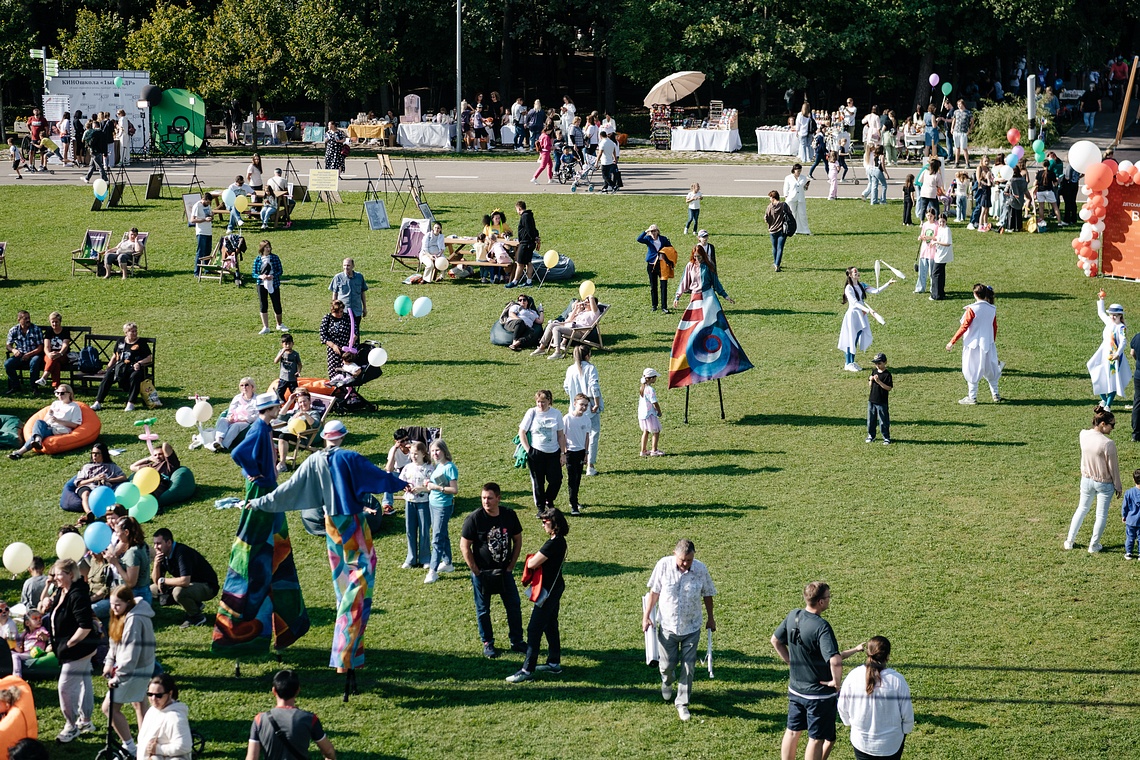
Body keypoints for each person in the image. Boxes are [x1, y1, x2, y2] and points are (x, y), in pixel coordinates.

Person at [244, 420, 408, 674]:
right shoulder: (350, 458)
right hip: (352, 524)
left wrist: (259, 502)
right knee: (358, 586)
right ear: (342, 437)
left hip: (330, 524)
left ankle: (347, 652)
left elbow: (288, 489)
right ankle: (345, 654)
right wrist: (399, 483)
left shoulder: (314, 460)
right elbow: (376, 478)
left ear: (324, 437)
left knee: (344, 586)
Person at [772, 581, 865, 760]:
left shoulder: (793, 615)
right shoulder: (822, 627)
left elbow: (775, 640)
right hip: (818, 695)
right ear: (821, 602)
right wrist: (836, 683)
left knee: (792, 731)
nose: (830, 600)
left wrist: (791, 662)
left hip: (796, 689)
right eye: (828, 597)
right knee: (815, 739)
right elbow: (835, 660)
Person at [642, 539, 716, 722]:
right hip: (667, 627)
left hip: (692, 627)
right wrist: (646, 616)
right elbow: (654, 592)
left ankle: (682, 703)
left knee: (688, 667)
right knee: (666, 666)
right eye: (682, 560)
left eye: (689, 560)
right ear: (675, 554)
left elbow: (707, 593)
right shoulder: (663, 565)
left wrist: (711, 618)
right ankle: (667, 681)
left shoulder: (700, 569)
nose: (685, 564)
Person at [460, 483, 525, 659]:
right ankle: (487, 642)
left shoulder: (509, 515)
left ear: (498, 498)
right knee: (483, 610)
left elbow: (517, 540)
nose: (486, 501)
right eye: (483, 498)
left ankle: (517, 641)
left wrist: (511, 565)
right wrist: (476, 571)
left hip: (504, 572)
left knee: (513, 606)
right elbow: (464, 546)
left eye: (489, 498)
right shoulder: (474, 518)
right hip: (483, 573)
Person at [506, 506, 569, 683]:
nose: (543, 525)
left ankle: (527, 669)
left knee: (534, 629)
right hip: (555, 588)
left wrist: (530, 559)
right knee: (550, 625)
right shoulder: (560, 541)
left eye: (545, 522)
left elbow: (533, 563)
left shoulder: (553, 543)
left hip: (548, 592)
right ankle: (554, 662)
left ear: (554, 523)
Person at [838, 636, 914, 760]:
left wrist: (849, 723)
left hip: (861, 742)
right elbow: (907, 715)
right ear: (888, 656)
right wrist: (905, 731)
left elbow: (842, 707)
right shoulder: (897, 681)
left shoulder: (853, 676)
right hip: (891, 744)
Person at [47, 559, 98, 743]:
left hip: (78, 649)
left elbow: (84, 627)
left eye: (58, 574)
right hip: (76, 648)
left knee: (65, 688)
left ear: (70, 574)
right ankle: (85, 721)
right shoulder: (63, 590)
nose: (55, 577)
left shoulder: (77, 595)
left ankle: (71, 726)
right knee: (84, 680)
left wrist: (68, 644)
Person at [102, 586, 156, 758]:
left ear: (128, 602)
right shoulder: (120, 615)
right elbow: (114, 642)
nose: (114, 608)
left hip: (136, 669)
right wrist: (109, 662)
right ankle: (146, 746)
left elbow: (130, 654)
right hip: (137, 667)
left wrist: (119, 676)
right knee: (139, 703)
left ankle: (130, 747)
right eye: (111, 604)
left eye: (117, 604)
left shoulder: (134, 619)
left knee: (109, 708)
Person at [1066, 405, 1122, 554]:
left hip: (1086, 479)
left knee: (1081, 509)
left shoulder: (1083, 434)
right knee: (1101, 515)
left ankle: (1069, 540)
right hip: (1104, 483)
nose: (1113, 428)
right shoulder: (1108, 444)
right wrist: (1118, 486)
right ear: (1103, 424)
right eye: (1112, 425)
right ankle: (1094, 544)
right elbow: (1113, 468)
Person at [245, 670, 335, 760]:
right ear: (298, 691)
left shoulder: (260, 720)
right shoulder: (309, 719)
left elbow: (252, 758)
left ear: (274, 691)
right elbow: (328, 751)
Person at [150, 527, 220, 628]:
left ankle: (196, 617)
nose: (156, 547)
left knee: (178, 592)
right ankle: (195, 605)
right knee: (152, 590)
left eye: (159, 543)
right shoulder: (162, 555)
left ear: (169, 542)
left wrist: (163, 580)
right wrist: (156, 564)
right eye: (155, 543)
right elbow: (156, 581)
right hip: (191, 586)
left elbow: (185, 581)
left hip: (207, 587)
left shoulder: (181, 552)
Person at [946, 283, 1002, 405]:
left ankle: (972, 397)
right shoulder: (992, 308)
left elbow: (964, 327)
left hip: (973, 345)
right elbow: (994, 327)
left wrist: (952, 342)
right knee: (991, 369)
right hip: (988, 344)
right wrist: (992, 341)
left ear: (975, 294)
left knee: (971, 369)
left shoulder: (972, 309)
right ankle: (995, 394)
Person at [519, 389, 567, 514]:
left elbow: (561, 435)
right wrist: (528, 450)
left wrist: (563, 453)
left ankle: (549, 500)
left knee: (556, 479)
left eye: (543, 402)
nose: (541, 405)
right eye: (538, 402)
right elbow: (522, 432)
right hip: (536, 452)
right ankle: (540, 508)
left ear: (549, 401)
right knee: (538, 482)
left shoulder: (556, 414)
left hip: (553, 452)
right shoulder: (532, 412)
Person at [839, 268, 893, 372]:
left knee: (855, 339)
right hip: (853, 316)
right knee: (850, 339)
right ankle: (848, 363)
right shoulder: (848, 288)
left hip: (861, 315)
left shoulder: (861, 285)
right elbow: (855, 303)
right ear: (850, 275)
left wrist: (887, 284)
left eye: (857, 272)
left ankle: (852, 362)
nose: (857, 273)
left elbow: (875, 291)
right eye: (855, 272)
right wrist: (868, 310)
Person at [7, 384, 81, 460]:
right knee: (39, 422)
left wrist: (58, 420)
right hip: (49, 425)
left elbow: (75, 425)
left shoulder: (74, 407)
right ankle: (36, 441)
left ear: (69, 393)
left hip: (59, 429)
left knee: (36, 435)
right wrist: (49, 416)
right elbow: (45, 419)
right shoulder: (56, 403)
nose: (59, 395)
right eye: (57, 393)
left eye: (62, 393)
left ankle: (20, 452)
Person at [563, 345, 603, 477]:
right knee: (592, 435)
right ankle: (590, 465)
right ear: (587, 355)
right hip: (589, 407)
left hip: (574, 407)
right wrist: (596, 403)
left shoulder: (570, 369)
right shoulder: (590, 368)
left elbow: (566, 387)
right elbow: (594, 387)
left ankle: (574, 462)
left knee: (574, 436)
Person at [423, 438, 458, 584]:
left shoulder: (450, 467)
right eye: (432, 451)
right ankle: (448, 563)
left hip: (443, 506)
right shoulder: (437, 466)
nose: (435, 454)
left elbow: (454, 490)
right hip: (433, 504)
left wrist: (436, 487)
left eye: (437, 450)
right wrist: (428, 484)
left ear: (444, 451)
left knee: (437, 538)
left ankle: (433, 570)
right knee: (442, 534)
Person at [1087, 295, 1130, 410]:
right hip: (1103, 352)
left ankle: (1108, 405)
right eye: (1111, 314)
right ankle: (1104, 400)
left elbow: (1123, 341)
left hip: (1113, 356)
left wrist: (1118, 353)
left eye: (1115, 315)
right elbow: (1101, 313)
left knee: (1113, 380)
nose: (1112, 316)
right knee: (1096, 373)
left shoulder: (1121, 327)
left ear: (1120, 316)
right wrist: (1102, 299)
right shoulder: (1109, 322)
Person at [136, 674, 192, 760]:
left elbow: (184, 746)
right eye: (150, 694)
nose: (153, 698)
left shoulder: (175, 718)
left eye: (158, 695)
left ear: (170, 693)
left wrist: (158, 749)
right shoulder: (152, 710)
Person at [398, 441, 432, 570]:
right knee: (410, 530)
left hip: (424, 503)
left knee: (424, 530)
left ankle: (425, 558)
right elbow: (401, 482)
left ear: (423, 454)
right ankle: (411, 558)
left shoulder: (429, 468)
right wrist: (405, 488)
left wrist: (422, 489)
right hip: (410, 502)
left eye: (416, 454)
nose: (414, 456)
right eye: (412, 454)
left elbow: (432, 487)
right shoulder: (408, 467)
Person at [206, 378, 258, 452]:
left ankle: (224, 445)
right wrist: (230, 417)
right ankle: (218, 441)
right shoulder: (237, 398)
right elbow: (230, 410)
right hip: (234, 418)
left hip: (246, 421)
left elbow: (257, 415)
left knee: (235, 426)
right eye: (242, 385)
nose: (244, 387)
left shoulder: (257, 399)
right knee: (222, 420)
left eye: (246, 385)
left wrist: (244, 419)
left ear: (252, 387)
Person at [252, 240, 288, 336]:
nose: (268, 249)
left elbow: (280, 270)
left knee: (276, 303)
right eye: (266, 247)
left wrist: (273, 276)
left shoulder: (275, 258)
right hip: (261, 284)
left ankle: (279, 324)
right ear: (262, 248)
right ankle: (266, 327)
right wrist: (260, 276)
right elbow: (254, 273)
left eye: (269, 247)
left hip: (274, 283)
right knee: (263, 304)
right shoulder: (258, 259)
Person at [4, 311, 44, 395]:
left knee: (34, 362)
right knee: (8, 364)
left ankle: (34, 387)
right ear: (19, 319)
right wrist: (14, 350)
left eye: (29, 318)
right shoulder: (14, 330)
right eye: (25, 318)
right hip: (20, 354)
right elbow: (8, 345)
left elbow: (40, 347)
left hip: (34, 354)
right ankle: (15, 386)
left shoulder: (36, 329)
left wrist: (29, 354)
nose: (28, 320)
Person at [637, 224, 673, 313]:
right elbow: (639, 239)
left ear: (658, 231)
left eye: (654, 231)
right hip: (651, 265)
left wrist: (664, 255)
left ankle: (664, 306)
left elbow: (670, 248)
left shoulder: (663, 239)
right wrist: (646, 231)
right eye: (651, 231)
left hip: (662, 265)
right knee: (653, 286)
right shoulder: (648, 239)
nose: (653, 233)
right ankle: (654, 305)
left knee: (663, 286)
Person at [505, 200, 540, 288]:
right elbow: (533, 228)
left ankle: (515, 281)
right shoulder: (529, 215)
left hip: (526, 243)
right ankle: (529, 281)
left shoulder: (525, 216)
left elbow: (529, 229)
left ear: (519, 208)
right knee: (528, 262)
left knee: (520, 263)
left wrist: (532, 238)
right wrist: (536, 237)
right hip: (529, 243)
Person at [319, 300, 355, 378]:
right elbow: (323, 335)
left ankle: (347, 389)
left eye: (341, 312)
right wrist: (333, 346)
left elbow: (355, 331)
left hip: (347, 350)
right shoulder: (327, 318)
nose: (339, 314)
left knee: (348, 371)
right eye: (337, 312)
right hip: (333, 351)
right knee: (334, 371)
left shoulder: (347, 317)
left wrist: (354, 337)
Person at [866, 353, 892, 445]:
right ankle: (871, 435)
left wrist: (879, 381)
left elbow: (889, 388)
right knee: (871, 420)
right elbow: (870, 386)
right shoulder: (874, 371)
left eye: (879, 363)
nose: (877, 365)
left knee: (883, 420)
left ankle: (886, 437)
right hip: (872, 400)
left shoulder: (887, 374)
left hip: (882, 401)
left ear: (885, 362)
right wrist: (871, 380)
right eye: (876, 363)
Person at [639, 368, 663, 456]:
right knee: (656, 431)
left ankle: (643, 450)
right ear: (651, 378)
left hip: (642, 414)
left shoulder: (642, 387)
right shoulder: (650, 390)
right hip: (650, 414)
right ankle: (654, 450)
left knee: (645, 431)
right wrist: (659, 411)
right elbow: (654, 402)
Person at [765, 192, 792, 271]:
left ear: (773, 198)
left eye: (770, 198)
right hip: (782, 230)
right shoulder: (784, 205)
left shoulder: (769, 207)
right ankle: (777, 264)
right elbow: (790, 214)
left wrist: (770, 223)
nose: (770, 199)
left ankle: (775, 262)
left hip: (772, 230)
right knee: (780, 247)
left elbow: (766, 218)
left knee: (774, 247)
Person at [190, 192, 214, 277]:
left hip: (208, 231)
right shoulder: (197, 206)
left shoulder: (208, 205)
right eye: (207, 202)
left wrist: (212, 216)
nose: (208, 204)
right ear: (204, 199)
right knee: (200, 252)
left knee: (208, 251)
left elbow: (210, 215)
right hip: (201, 232)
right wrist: (204, 219)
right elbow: (192, 220)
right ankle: (197, 272)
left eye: (209, 203)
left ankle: (207, 269)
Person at [782, 164, 811, 235]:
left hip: (800, 198)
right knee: (792, 214)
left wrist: (806, 186)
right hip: (791, 198)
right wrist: (786, 196)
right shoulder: (788, 178)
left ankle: (805, 230)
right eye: (798, 171)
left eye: (800, 171)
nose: (799, 172)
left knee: (802, 214)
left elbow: (804, 189)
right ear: (794, 170)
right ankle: (792, 230)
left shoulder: (803, 178)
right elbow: (786, 188)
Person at [930, 213, 953, 301]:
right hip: (939, 253)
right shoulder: (940, 229)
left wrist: (936, 243)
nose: (941, 223)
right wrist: (930, 238)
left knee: (935, 274)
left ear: (946, 221)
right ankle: (941, 292)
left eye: (943, 222)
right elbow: (937, 237)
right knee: (940, 274)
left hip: (943, 255)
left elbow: (947, 243)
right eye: (940, 222)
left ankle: (936, 295)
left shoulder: (947, 230)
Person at [272, 334, 301, 402]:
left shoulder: (295, 354)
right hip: (283, 378)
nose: (287, 346)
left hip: (292, 378)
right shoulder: (281, 353)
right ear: (282, 344)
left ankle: (296, 405)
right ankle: (282, 405)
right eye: (285, 344)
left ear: (293, 344)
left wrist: (298, 371)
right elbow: (275, 361)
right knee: (279, 393)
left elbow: (299, 364)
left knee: (295, 394)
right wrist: (282, 352)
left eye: (289, 343)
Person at [1122, 470, 1140, 560]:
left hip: (1131, 520)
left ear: (1134, 480)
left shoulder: (1129, 492)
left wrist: (1124, 515)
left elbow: (1125, 506)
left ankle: (1129, 552)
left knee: (1130, 537)